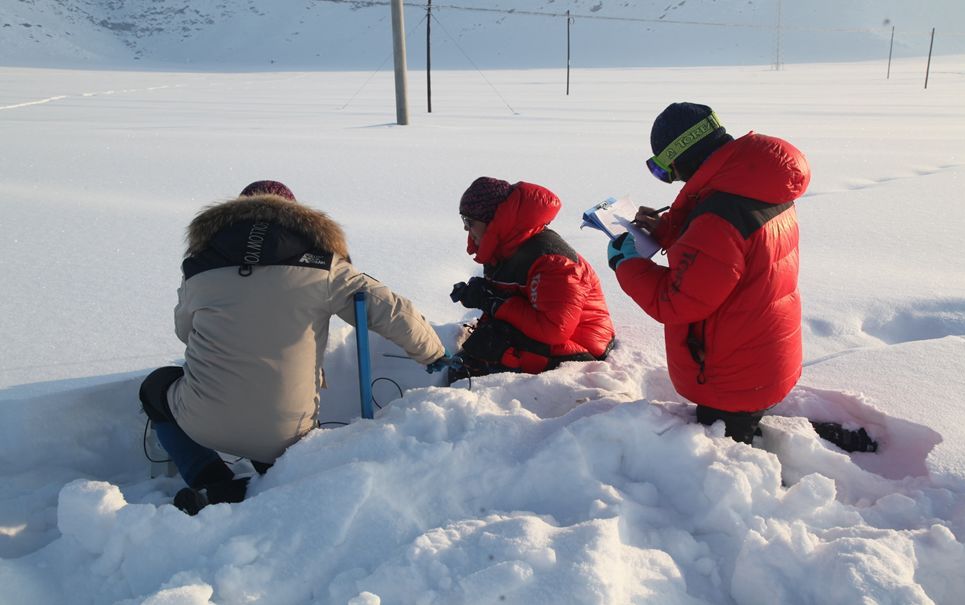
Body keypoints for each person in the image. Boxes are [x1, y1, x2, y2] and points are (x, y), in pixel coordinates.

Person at [140, 180, 449, 515]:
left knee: (155, 388)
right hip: (287, 429)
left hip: (202, 420)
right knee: (276, 417)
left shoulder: (201, 267)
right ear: (294, 216)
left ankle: (210, 479)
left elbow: (185, 332)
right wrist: (435, 354)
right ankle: (274, 478)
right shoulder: (322, 266)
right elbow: (391, 310)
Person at [606, 102, 810, 445]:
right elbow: (727, 257)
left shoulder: (718, 217)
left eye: (666, 170)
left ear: (683, 156)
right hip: (763, 354)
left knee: (728, 460)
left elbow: (675, 302)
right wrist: (670, 230)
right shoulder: (755, 185)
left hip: (732, 375)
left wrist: (627, 265)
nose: (671, 179)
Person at [448, 177, 615, 383]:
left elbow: (554, 329)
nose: (466, 229)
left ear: (493, 220)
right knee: (479, 350)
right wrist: (484, 294)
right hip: (546, 332)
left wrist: (493, 302)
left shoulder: (554, 263)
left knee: (494, 355)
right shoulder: (501, 246)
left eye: (469, 221)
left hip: (582, 342)